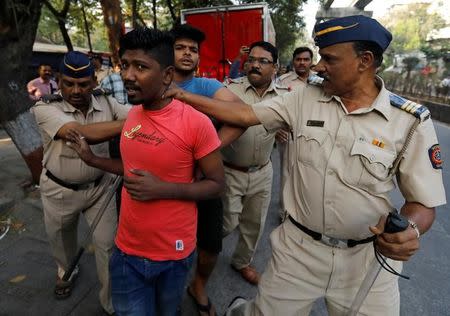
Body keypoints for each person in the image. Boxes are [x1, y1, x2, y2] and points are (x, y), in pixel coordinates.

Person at [166, 15, 446, 315]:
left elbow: (422, 202)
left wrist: (411, 230)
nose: (317, 66)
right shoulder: (303, 97)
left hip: (367, 261)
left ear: (364, 60)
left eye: (328, 58)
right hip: (297, 252)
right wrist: (182, 95)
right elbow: (245, 115)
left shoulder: (409, 121)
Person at [67, 27, 225, 316]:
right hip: (127, 252)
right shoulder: (132, 118)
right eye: (125, 65)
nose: (128, 75)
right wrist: (93, 160)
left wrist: (165, 189)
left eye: (140, 67)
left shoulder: (197, 123)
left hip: (174, 255)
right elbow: (131, 171)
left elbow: (216, 185)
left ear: (166, 75)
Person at [33, 51, 130, 315]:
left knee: (108, 247)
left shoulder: (106, 102)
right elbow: (78, 132)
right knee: (62, 242)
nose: (76, 90)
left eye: (84, 84)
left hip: (101, 188)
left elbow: (134, 115)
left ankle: (110, 303)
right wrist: (133, 123)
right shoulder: (44, 107)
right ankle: (67, 270)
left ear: (94, 82)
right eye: (68, 83)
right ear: (58, 81)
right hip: (59, 191)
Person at [170, 24, 243, 316]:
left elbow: (241, 117)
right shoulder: (151, 84)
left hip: (205, 182)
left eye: (193, 49)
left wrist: (205, 154)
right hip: (162, 184)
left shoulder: (207, 87)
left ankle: (198, 286)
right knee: (167, 248)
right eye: (180, 47)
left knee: (211, 245)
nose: (188, 53)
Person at [222, 41, 289, 285]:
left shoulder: (285, 97)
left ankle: (242, 262)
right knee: (226, 223)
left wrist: (284, 130)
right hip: (230, 171)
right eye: (251, 60)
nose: (255, 65)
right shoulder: (229, 91)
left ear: (276, 67)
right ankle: (202, 251)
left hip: (263, 171)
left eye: (263, 61)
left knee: (254, 223)